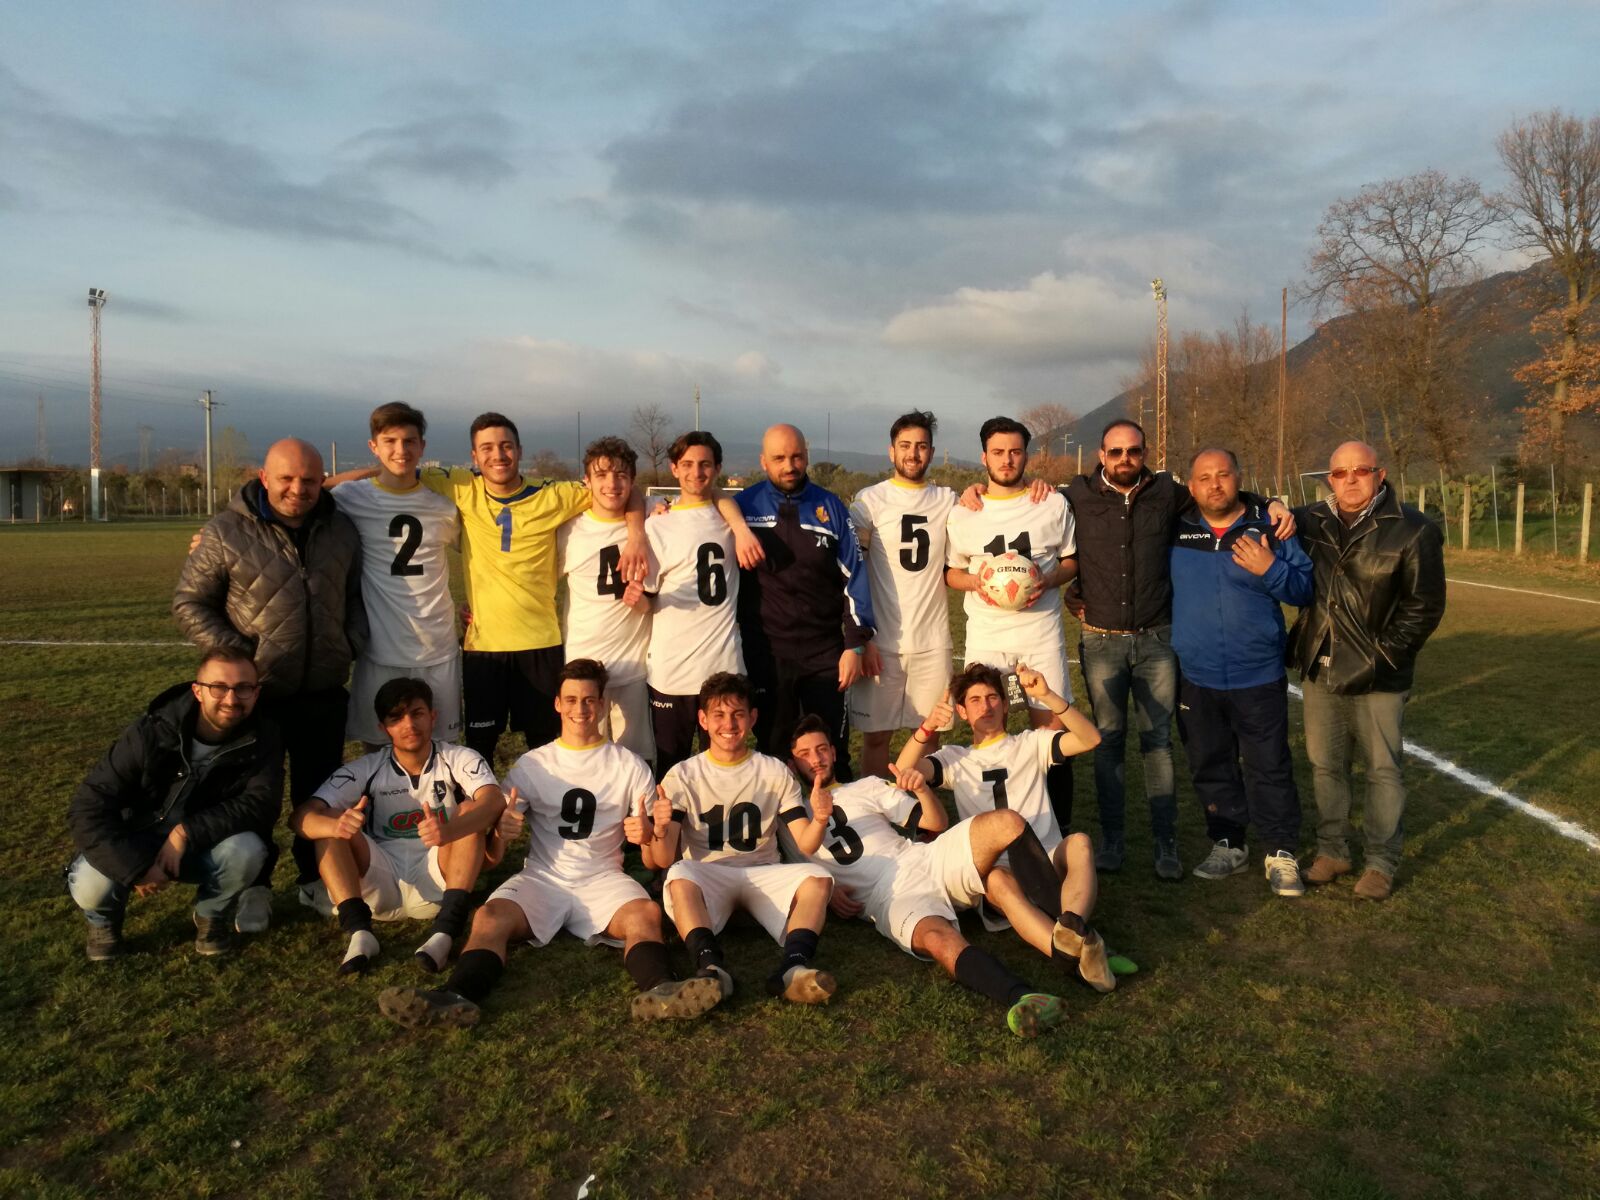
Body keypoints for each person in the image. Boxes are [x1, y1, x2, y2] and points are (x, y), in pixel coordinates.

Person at [378, 660, 722, 1029]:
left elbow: (656, 861)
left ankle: (662, 990)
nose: (580, 709)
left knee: (646, 915)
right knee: (489, 917)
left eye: (589, 700)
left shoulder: (629, 765)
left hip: (603, 878)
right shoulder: (533, 765)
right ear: (557, 704)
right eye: (571, 700)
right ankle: (456, 996)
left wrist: (649, 834)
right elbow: (492, 857)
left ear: (602, 704)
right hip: (543, 877)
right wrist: (501, 833)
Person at [1061, 419, 1293, 878]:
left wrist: (1271, 503)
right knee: (1108, 741)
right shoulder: (1077, 495)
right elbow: (1029, 504)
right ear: (1101, 455)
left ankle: (1165, 842)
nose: (1124, 459)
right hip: (1101, 640)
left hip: (1157, 639)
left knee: (1158, 742)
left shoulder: (1170, 494)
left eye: (1133, 450)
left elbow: (1219, 494)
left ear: (1144, 453)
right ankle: (1113, 840)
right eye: (1115, 451)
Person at [173, 437, 365, 928]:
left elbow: (354, 597)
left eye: (309, 480)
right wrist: (242, 659)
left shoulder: (341, 529)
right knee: (253, 797)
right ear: (264, 477)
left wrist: (350, 642)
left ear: (322, 481)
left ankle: (313, 878)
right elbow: (190, 603)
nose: (298, 489)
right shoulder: (225, 531)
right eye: (286, 478)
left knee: (320, 793)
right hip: (253, 697)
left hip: (322, 691)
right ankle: (254, 887)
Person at [788, 717, 1074, 1037]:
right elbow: (800, 872)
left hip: (924, 857)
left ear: (833, 752)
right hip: (889, 896)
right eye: (805, 754)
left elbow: (936, 823)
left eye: (821, 749)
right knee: (939, 939)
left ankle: (1075, 934)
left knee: (1005, 821)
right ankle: (1023, 997)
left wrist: (923, 790)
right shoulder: (793, 818)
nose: (816, 759)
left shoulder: (865, 786)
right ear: (792, 763)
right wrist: (832, 889)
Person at [895, 664, 1116, 991]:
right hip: (999, 870)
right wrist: (927, 727)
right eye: (975, 700)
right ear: (962, 712)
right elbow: (902, 771)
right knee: (997, 880)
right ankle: (1076, 955)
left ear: (1006, 704)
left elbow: (1091, 738)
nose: (985, 706)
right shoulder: (955, 758)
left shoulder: (1031, 743)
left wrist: (1047, 696)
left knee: (1080, 842)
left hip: (1046, 860)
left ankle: (1072, 929)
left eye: (992, 697)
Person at [1289, 441, 1445, 900]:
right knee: (1325, 766)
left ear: (1380, 474)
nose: (1350, 479)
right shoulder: (1312, 520)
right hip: (1321, 666)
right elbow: (1257, 513)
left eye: (1360, 470)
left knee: (1382, 770)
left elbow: (1424, 607)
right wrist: (1274, 507)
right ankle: (1332, 850)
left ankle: (1380, 862)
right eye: (1340, 473)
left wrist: (1380, 659)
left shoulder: (1414, 530)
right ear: (1329, 479)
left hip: (1380, 674)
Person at [66, 648, 281, 960]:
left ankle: (211, 915)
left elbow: (262, 804)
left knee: (248, 850)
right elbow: (87, 806)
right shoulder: (151, 732)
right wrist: (135, 868)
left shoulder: (264, 735)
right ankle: (103, 922)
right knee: (90, 880)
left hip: (198, 844)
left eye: (243, 688)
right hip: (134, 838)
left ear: (256, 693)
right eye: (218, 687)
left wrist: (185, 832)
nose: (231, 699)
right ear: (197, 691)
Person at [1170, 449, 1314, 897]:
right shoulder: (1175, 529)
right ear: (1191, 487)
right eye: (1204, 477)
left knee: (1269, 764)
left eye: (1223, 475)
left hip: (1258, 674)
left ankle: (1280, 850)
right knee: (1210, 764)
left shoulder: (1270, 526)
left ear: (1239, 478)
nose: (1214, 484)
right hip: (1197, 674)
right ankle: (1228, 843)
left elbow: (1304, 589)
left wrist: (1270, 568)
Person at [646, 672, 839, 1004]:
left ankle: (793, 968)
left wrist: (820, 820)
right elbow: (662, 859)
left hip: (762, 871)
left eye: (738, 714)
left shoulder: (774, 770)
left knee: (819, 878)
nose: (729, 724)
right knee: (678, 873)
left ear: (753, 718)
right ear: (703, 720)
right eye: (719, 715)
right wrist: (660, 829)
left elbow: (805, 844)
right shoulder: (682, 774)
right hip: (709, 875)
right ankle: (710, 968)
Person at [295, 678, 505, 974]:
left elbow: (493, 801)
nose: (409, 724)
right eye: (396, 717)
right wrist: (336, 825)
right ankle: (359, 932)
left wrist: (449, 831)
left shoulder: (458, 757)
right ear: (384, 728)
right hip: (380, 882)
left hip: (438, 878)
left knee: (470, 810)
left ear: (432, 716)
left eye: (417, 713)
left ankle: (447, 929)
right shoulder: (367, 767)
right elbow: (300, 817)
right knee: (330, 823)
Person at [946, 416, 1078, 830]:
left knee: (1053, 734)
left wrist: (1046, 579)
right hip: (986, 635)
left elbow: (1071, 561)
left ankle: (1057, 834)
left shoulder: (1051, 503)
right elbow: (952, 572)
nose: (1007, 460)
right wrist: (978, 583)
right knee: (987, 729)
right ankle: (987, 831)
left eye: (1015, 452)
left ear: (1026, 456)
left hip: (1040, 633)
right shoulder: (964, 512)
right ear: (984, 457)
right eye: (998, 452)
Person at [736, 424, 878, 776]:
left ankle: (842, 812)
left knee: (831, 754)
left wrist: (855, 645)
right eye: (779, 458)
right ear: (763, 461)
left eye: (797, 456)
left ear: (807, 456)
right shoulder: (743, 507)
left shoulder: (830, 507)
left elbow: (854, 577)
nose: (789, 465)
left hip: (824, 653)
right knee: (772, 754)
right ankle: (782, 814)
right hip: (766, 654)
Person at [332, 403, 463, 751]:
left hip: (437, 647)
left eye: (409, 441)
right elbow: (302, 492)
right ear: (373, 446)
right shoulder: (350, 497)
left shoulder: (444, 506)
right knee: (378, 750)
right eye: (389, 441)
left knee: (442, 751)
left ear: (422, 446)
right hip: (381, 650)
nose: (400, 450)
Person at [848, 411, 957, 779]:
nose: (913, 453)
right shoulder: (870, 500)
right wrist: (863, 639)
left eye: (922, 446)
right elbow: (853, 570)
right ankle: (875, 809)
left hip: (932, 643)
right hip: (882, 643)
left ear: (932, 452)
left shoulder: (948, 499)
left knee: (929, 736)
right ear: (891, 451)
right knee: (877, 737)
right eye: (905, 445)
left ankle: (923, 812)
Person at [642, 430, 747, 777]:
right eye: (686, 464)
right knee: (670, 771)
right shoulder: (658, 525)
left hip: (723, 666)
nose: (696, 472)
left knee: (724, 768)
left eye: (705, 464)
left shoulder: (732, 518)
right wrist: (634, 599)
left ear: (717, 468)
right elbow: (647, 599)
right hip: (671, 671)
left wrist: (741, 528)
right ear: (674, 468)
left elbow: (720, 498)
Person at [558, 437, 654, 761]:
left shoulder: (652, 519)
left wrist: (643, 602)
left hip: (634, 665)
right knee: (583, 756)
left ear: (633, 480)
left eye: (621, 475)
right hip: (582, 664)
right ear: (586, 480)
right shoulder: (569, 530)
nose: (612, 484)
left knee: (637, 759)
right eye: (601, 475)